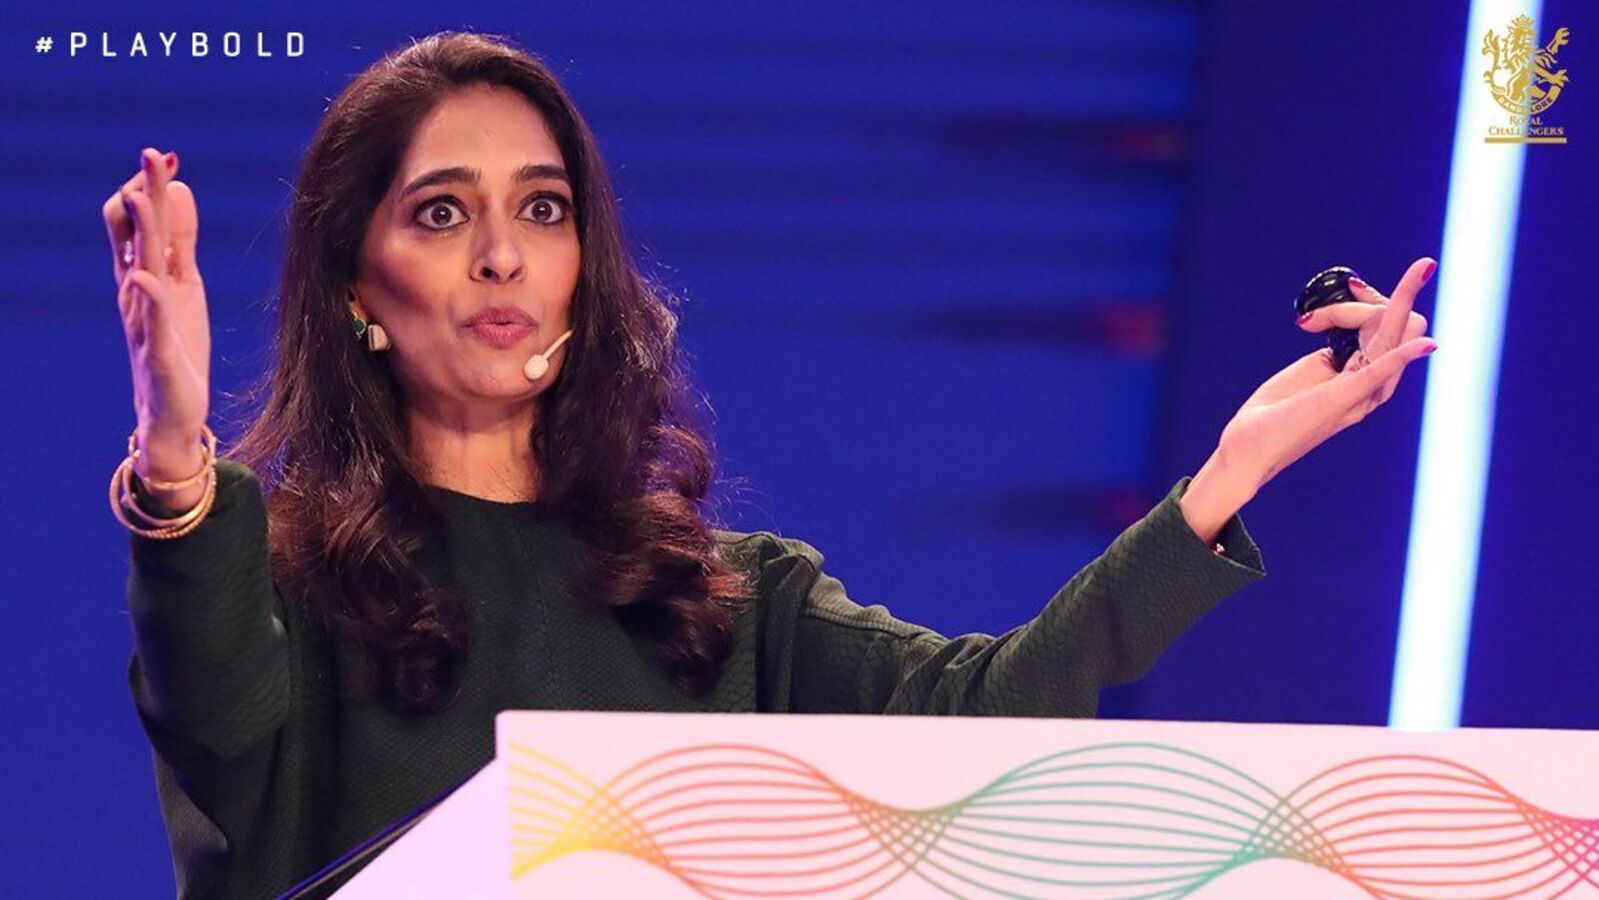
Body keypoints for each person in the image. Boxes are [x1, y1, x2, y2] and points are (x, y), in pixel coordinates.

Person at [103, 30, 1437, 900]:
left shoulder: (722, 604)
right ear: (357, 287)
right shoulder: (277, 596)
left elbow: (989, 718)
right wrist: (172, 452)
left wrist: (1224, 478)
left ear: (583, 264)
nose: (502, 255)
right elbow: (210, 700)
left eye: (543, 209)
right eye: (443, 212)